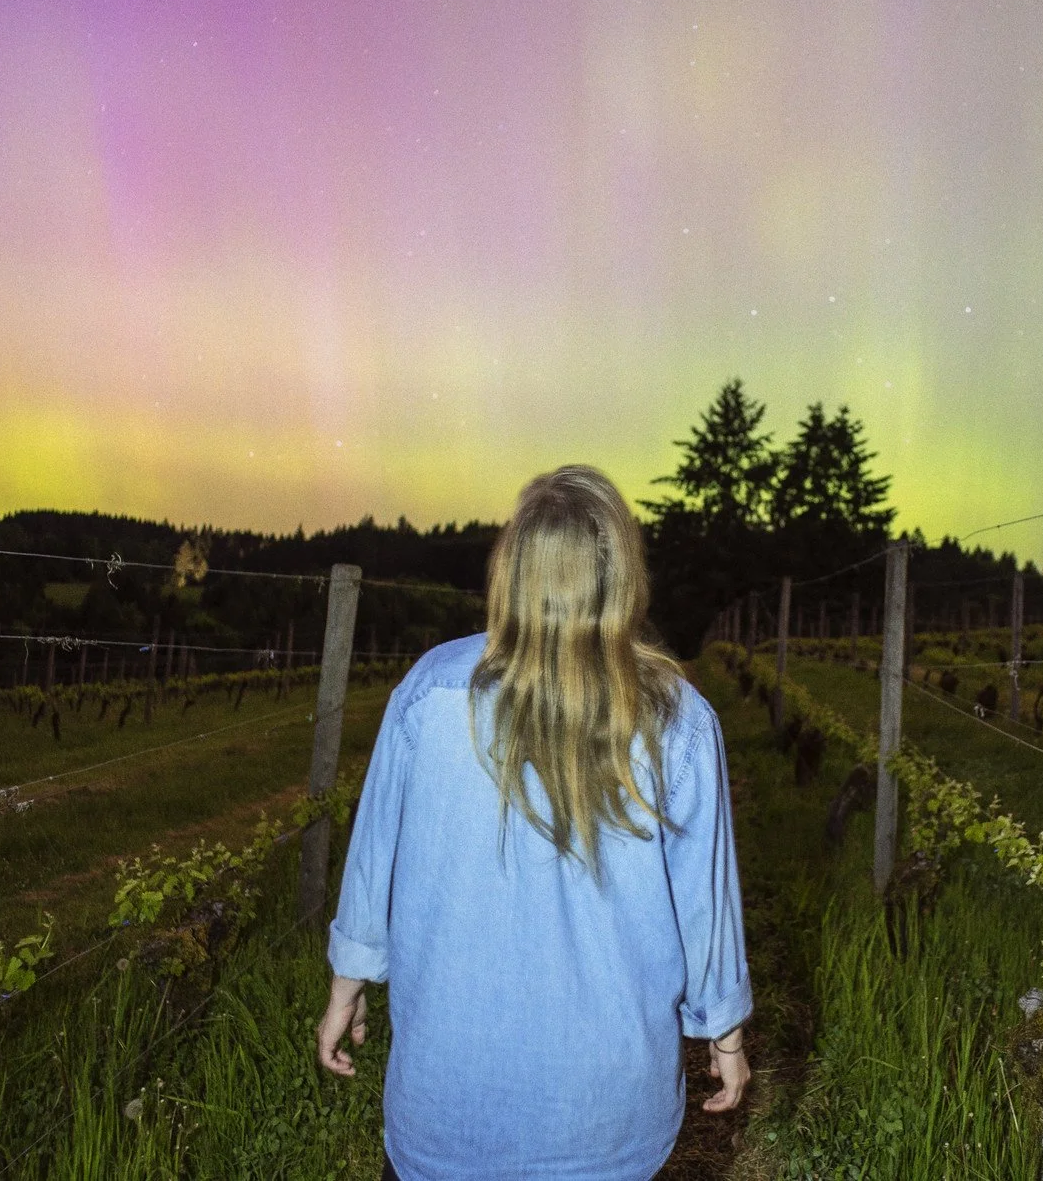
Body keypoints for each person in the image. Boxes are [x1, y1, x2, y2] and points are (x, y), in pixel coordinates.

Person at [317, 465, 752, 1180]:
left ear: (511, 568)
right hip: (608, 1119)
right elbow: (707, 900)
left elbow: (373, 858)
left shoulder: (430, 692)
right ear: (622, 575)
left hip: (448, 1110)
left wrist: (348, 983)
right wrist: (723, 1031)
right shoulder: (678, 720)